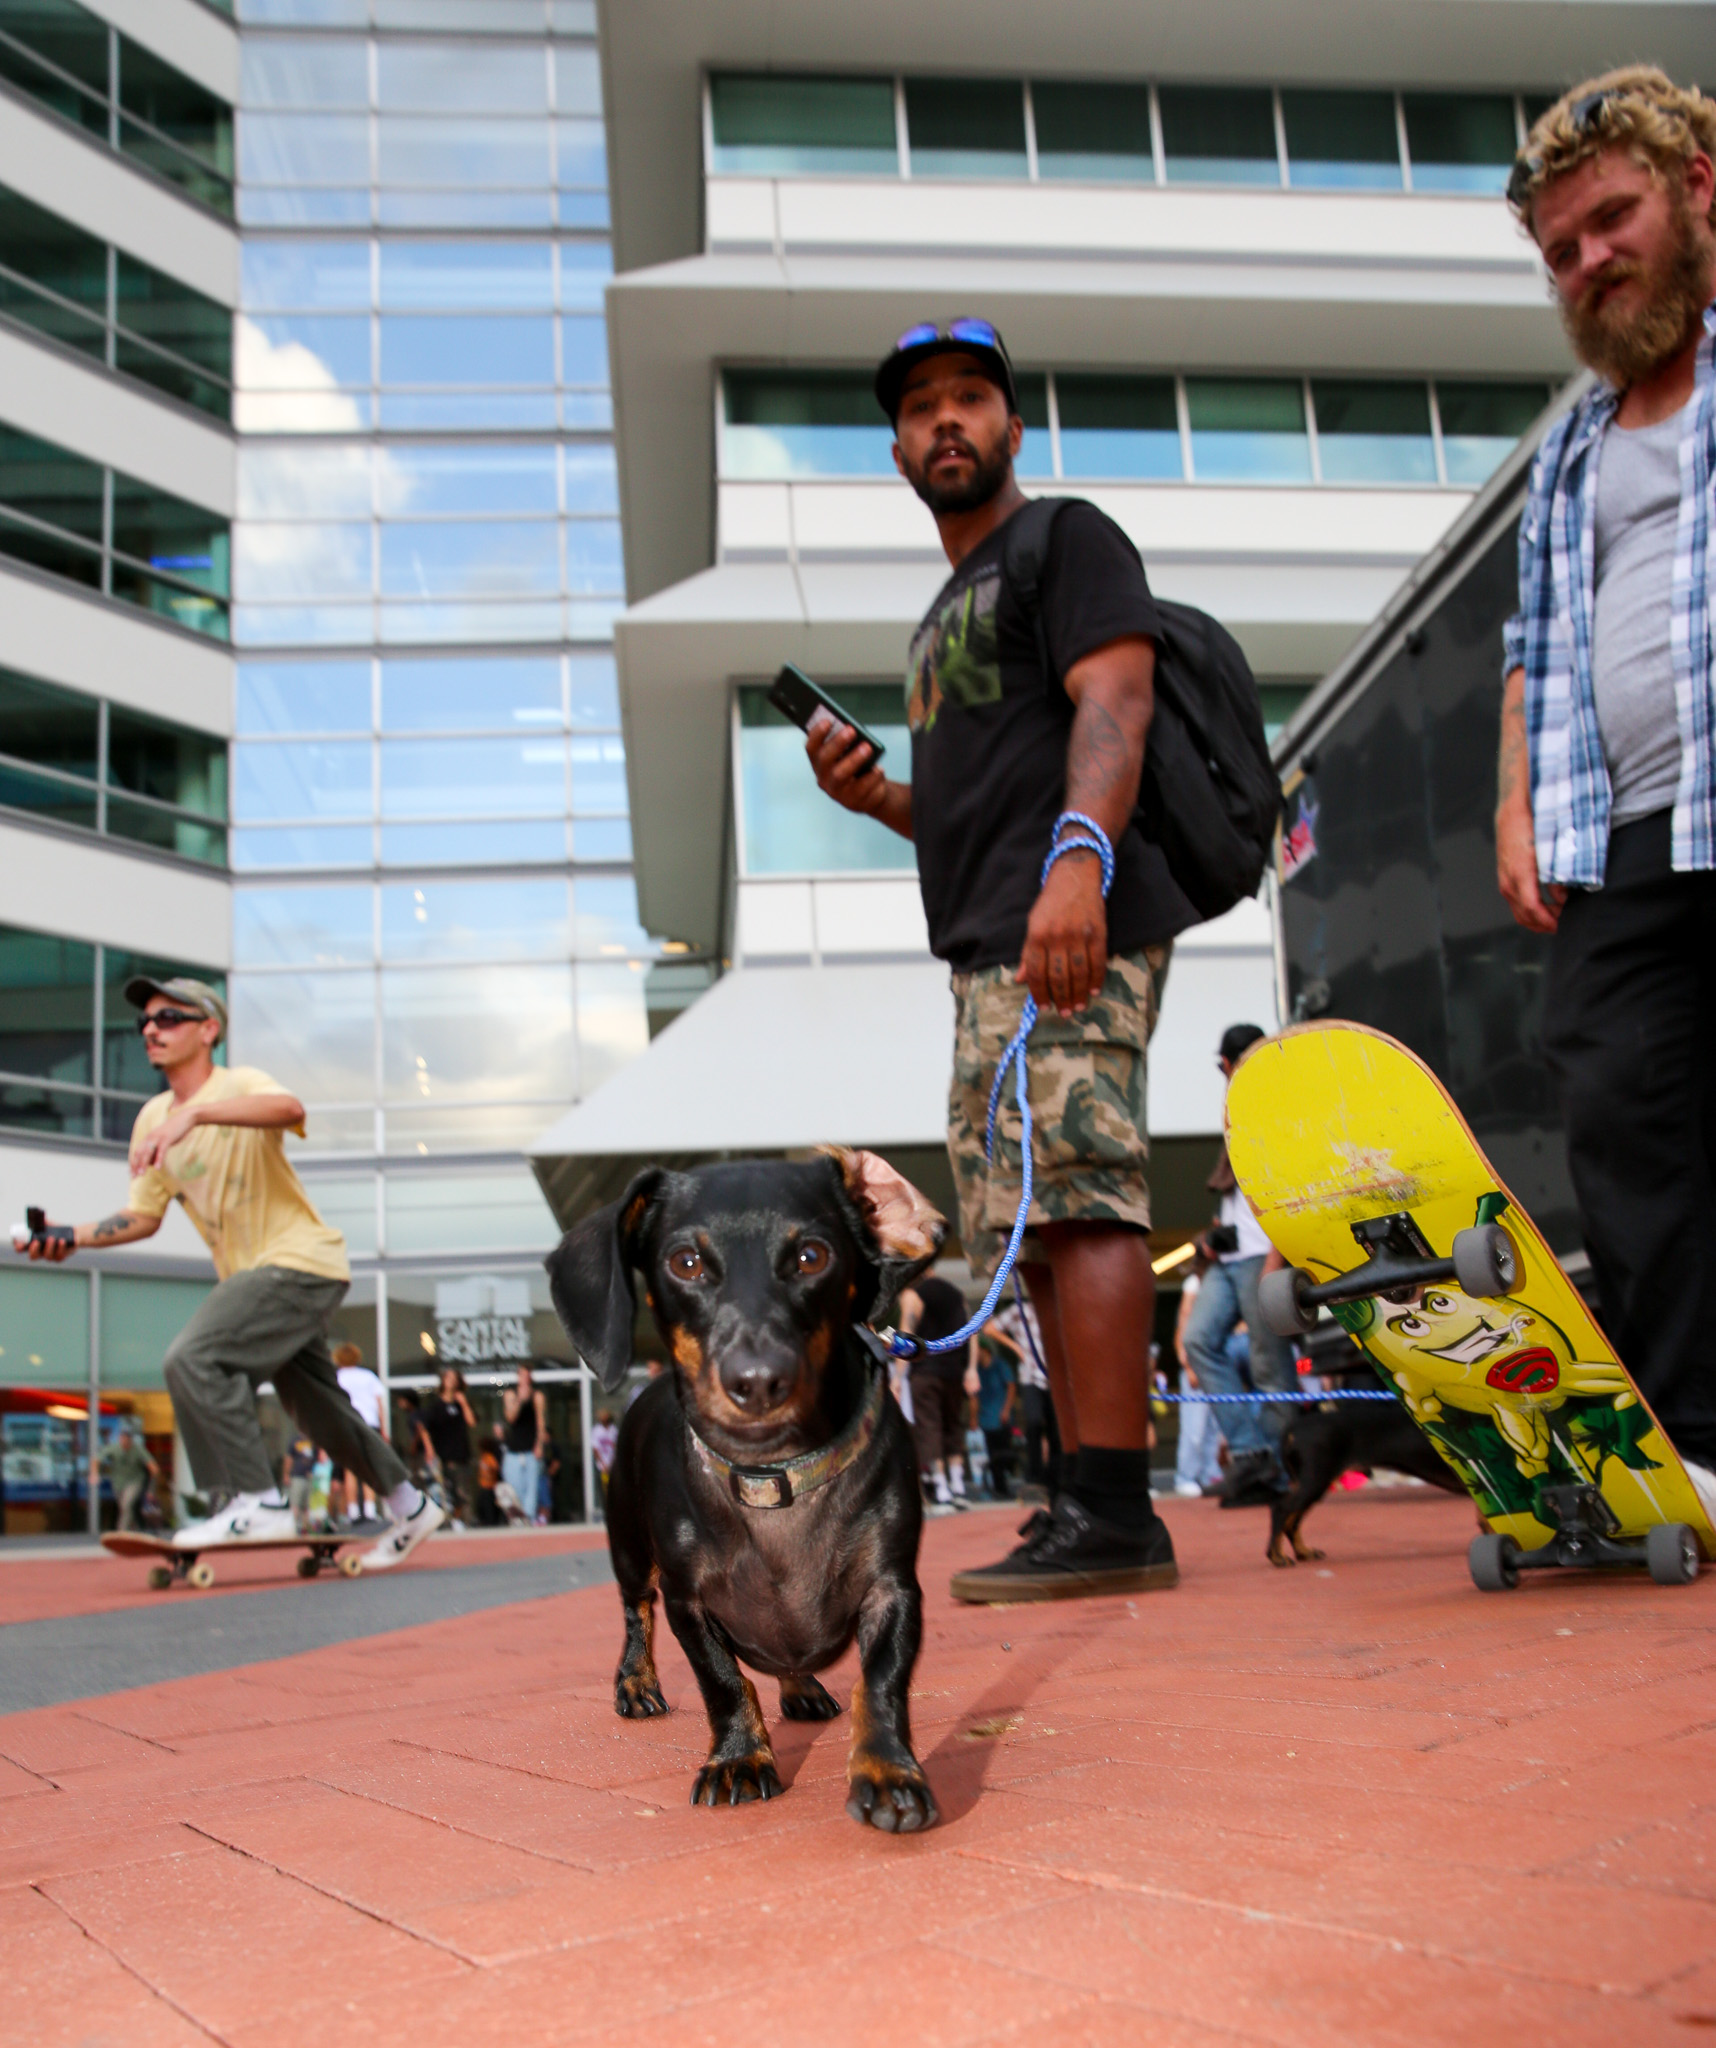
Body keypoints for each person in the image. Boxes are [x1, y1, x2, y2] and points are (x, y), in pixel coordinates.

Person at [807, 319, 1196, 1601]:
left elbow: (1116, 700)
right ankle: (1083, 1495)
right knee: (1023, 1218)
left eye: (969, 398)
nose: (946, 423)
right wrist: (882, 803)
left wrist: (1079, 861)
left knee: (1083, 1192)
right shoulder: (933, 623)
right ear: (900, 449)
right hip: (984, 947)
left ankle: (1119, 1508)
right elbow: (971, 805)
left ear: (1011, 426)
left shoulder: (1061, 540)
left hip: (1067, 923)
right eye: (920, 410)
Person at [1497, 71, 1716, 1516]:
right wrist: (1515, 806)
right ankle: (1698, 1439)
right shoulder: (1571, 444)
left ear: (1699, 189)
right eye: (1563, 249)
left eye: (1613, 220)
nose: (1592, 262)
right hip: (1622, 834)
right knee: (1624, 1118)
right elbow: (1527, 647)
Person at [15, 976, 443, 1570]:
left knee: (193, 1358)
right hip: (258, 1278)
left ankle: (256, 1500)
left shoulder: (236, 1086)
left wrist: (196, 1116)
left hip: (298, 1261)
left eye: (168, 1018)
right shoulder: (151, 1119)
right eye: (144, 1022)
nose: (150, 1030)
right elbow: (144, 1214)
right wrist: (74, 1236)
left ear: (207, 1029)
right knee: (318, 1407)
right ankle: (410, 1504)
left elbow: (290, 1109)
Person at [1183, 1024, 1296, 1508]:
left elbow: (1290, 1191)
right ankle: (1255, 1454)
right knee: (1198, 1340)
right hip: (1230, 1259)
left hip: (1261, 1258)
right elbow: (1234, 1191)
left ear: (1229, 1063)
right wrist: (1213, 1236)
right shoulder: (1236, 1112)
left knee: (1272, 1365)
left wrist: (1276, 1259)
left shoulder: (1276, 1106)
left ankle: (1277, 1467)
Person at [898, 1274, 978, 1513]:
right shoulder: (956, 1294)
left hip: (925, 1372)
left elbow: (906, 1335)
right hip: (954, 1371)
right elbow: (971, 1332)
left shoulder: (913, 1294)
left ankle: (942, 1490)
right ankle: (958, 1487)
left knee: (929, 1426)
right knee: (953, 1426)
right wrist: (971, 1369)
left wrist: (897, 1377)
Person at [1171, 1258, 1225, 1499]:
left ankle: (1208, 1473)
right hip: (1196, 1365)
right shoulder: (1194, 1284)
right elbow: (1182, 1329)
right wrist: (1188, 1365)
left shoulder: (1221, 1282)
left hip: (1216, 1365)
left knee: (1214, 1427)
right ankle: (1186, 1476)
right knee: (1194, 1428)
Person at [332, 1343, 387, 1524]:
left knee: (350, 1470)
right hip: (368, 1424)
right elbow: (379, 1403)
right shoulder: (368, 1377)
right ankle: (370, 1511)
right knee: (368, 1470)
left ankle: (353, 1512)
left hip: (346, 1424)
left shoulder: (337, 1377)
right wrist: (384, 1429)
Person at [424, 1366, 477, 1527]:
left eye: (455, 1379)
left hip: (461, 1455)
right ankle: (447, 1521)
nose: (452, 1382)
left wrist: (464, 1402)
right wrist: (430, 1450)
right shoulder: (435, 1407)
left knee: (462, 1492)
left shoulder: (462, 1404)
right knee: (445, 1492)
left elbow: (472, 1422)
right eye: (449, 1378)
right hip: (443, 1456)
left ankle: (458, 1520)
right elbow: (425, 1429)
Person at [974, 1329, 1018, 1500]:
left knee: (1005, 1453)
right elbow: (974, 1396)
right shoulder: (976, 1370)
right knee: (993, 1456)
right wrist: (974, 1417)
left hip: (1001, 1417)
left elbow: (1011, 1386)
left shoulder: (1000, 1365)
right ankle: (1000, 1489)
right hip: (986, 1419)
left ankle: (1008, 1480)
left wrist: (1006, 1409)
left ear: (985, 1350)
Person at [501, 1363, 547, 1521]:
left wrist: (539, 1445)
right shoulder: (510, 1394)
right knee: (514, 1489)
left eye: (527, 1375)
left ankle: (529, 1519)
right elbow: (510, 1418)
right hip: (514, 1451)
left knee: (531, 1489)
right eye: (522, 1375)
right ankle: (517, 1519)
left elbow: (541, 1422)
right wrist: (520, 1400)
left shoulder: (537, 1396)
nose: (524, 1378)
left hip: (530, 1451)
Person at [103, 1420, 158, 1533]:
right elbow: (97, 1459)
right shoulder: (114, 1448)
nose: (124, 1440)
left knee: (127, 1505)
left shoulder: (137, 1450)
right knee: (125, 1508)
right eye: (122, 1437)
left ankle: (121, 1532)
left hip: (135, 1481)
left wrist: (151, 1489)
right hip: (119, 1484)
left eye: (126, 1437)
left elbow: (154, 1468)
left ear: (130, 1439)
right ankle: (135, 1529)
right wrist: (94, 1473)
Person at [590, 1408, 618, 1502]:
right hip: (601, 1466)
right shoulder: (596, 1430)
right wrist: (603, 1464)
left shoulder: (613, 1430)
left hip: (612, 1465)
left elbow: (615, 1447)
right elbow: (595, 1449)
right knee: (604, 1490)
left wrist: (612, 1463)